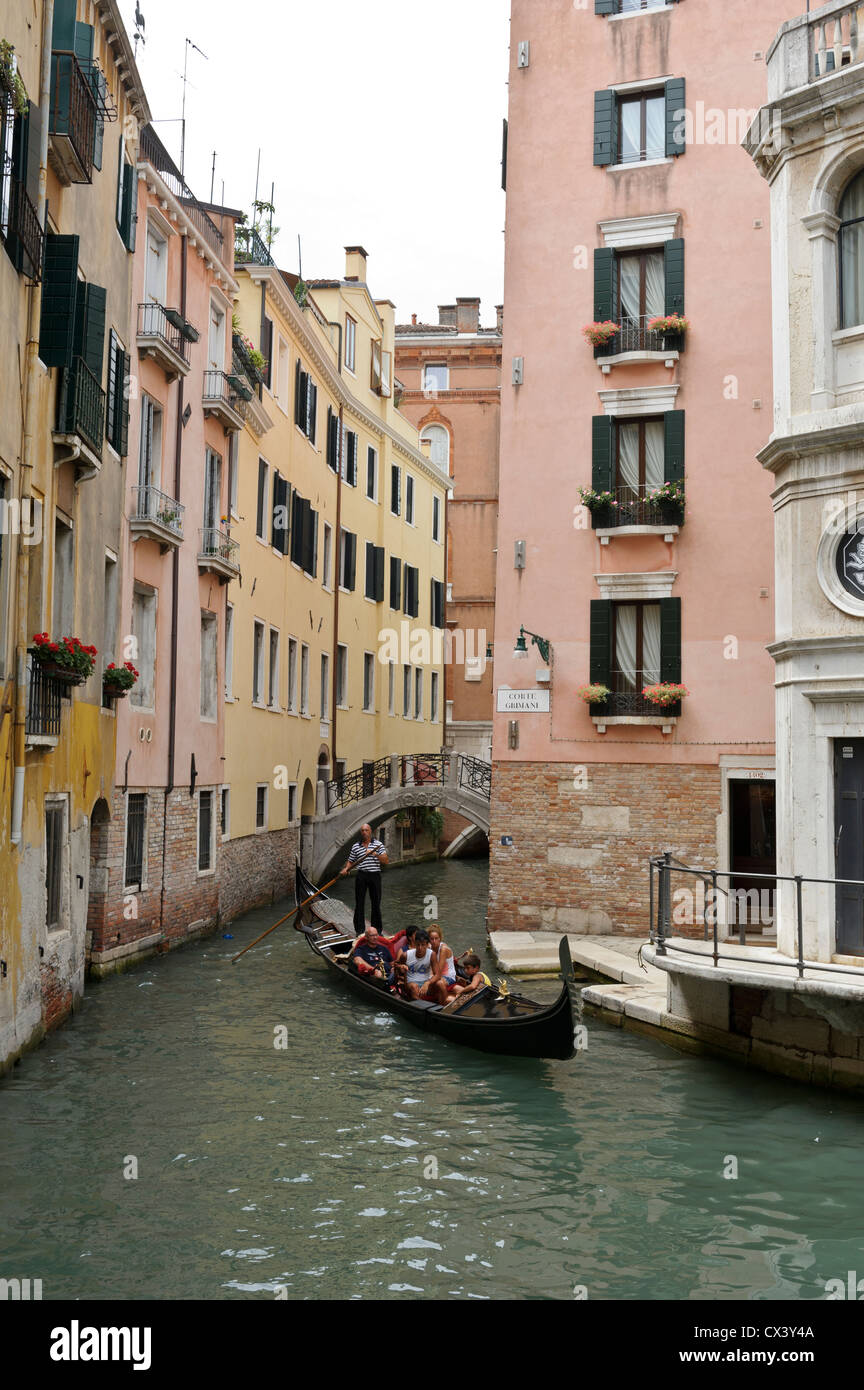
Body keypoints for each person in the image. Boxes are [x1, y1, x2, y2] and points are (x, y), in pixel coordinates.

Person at [340, 824, 388, 935]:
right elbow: (351, 860)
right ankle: (359, 930)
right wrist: (346, 869)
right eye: (362, 830)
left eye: (366, 830)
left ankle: (377, 930)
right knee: (359, 903)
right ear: (360, 833)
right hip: (361, 875)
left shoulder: (378, 844)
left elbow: (386, 860)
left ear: (370, 831)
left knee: (376, 903)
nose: (364, 832)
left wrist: (375, 854)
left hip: (375, 875)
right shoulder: (356, 846)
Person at [350, 925, 394, 990]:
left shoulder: (384, 948)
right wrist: (374, 970)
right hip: (375, 976)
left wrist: (394, 968)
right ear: (366, 937)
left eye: (376, 935)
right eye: (372, 935)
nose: (375, 937)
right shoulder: (361, 949)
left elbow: (392, 963)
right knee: (379, 977)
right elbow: (357, 960)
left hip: (390, 974)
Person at [399, 929, 437, 1000]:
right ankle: (422, 1007)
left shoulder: (432, 954)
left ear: (427, 944)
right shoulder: (406, 955)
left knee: (439, 984)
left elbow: (437, 974)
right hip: (411, 983)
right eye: (418, 945)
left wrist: (427, 983)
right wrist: (401, 967)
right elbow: (396, 965)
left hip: (426, 981)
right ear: (414, 943)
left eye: (423, 945)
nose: (420, 948)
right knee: (414, 987)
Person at [427, 926, 457, 1005]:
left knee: (439, 983)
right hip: (437, 975)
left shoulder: (443, 949)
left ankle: (445, 1002)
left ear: (440, 938)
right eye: (431, 939)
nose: (434, 941)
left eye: (436, 938)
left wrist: (429, 980)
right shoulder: (429, 948)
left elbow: (438, 972)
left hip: (448, 976)